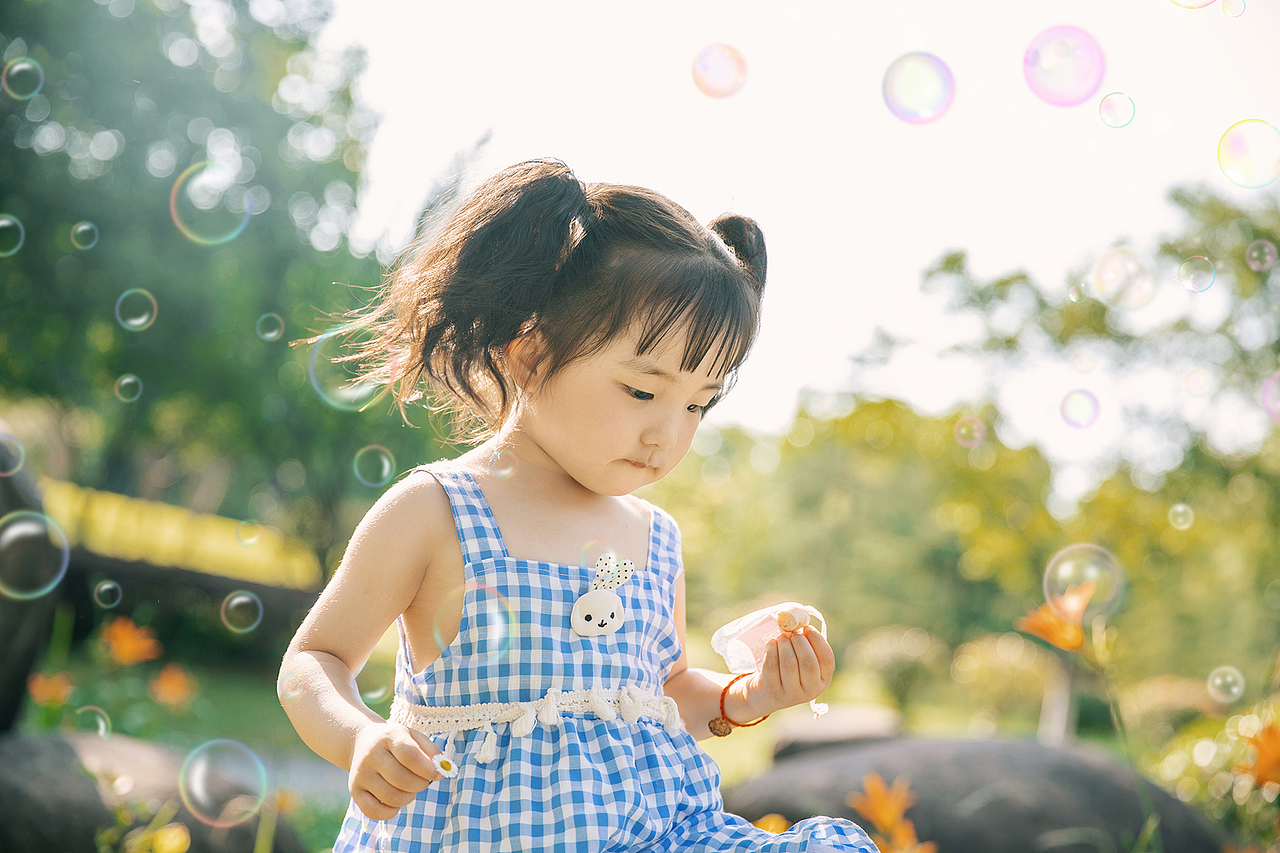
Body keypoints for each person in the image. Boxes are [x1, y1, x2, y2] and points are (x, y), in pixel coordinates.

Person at [278, 159, 875, 852]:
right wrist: (361, 736)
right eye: (644, 392)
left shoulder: (652, 537)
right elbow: (314, 658)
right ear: (531, 353)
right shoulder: (438, 510)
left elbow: (660, 692)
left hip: (656, 833)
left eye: (699, 404)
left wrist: (748, 697)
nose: (669, 433)